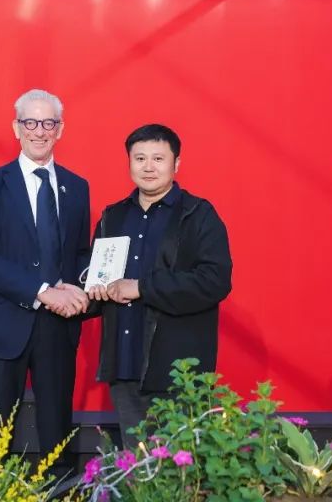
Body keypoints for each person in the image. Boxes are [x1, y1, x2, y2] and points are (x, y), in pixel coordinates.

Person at [0, 89, 91, 469]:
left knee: (57, 437)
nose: (39, 131)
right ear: (16, 128)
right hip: (2, 324)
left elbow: (79, 254)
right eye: (30, 122)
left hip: (58, 327)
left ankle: (60, 492)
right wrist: (42, 292)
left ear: (60, 129)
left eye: (48, 123)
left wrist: (85, 285)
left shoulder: (77, 187)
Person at [86, 124, 232, 448]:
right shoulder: (113, 216)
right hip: (124, 364)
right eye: (140, 158)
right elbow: (98, 279)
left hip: (178, 370)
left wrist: (142, 287)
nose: (148, 167)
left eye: (158, 158)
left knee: (180, 462)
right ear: (129, 162)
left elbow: (215, 281)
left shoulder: (198, 214)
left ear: (176, 164)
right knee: (136, 462)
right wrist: (79, 293)